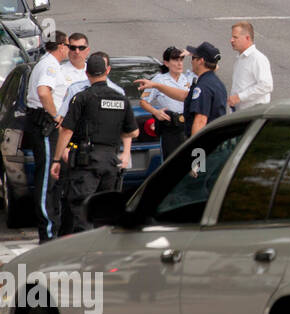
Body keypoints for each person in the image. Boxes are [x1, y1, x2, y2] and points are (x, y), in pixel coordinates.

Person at [50, 52, 134, 234]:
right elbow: (132, 131)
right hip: (111, 161)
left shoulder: (82, 97)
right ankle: (103, 251)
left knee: (83, 209)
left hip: (86, 161)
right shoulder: (121, 98)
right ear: (107, 71)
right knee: (105, 209)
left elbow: (66, 130)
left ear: (87, 73)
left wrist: (57, 159)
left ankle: (87, 252)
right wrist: (125, 152)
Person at [25, 31, 70, 242]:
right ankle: (48, 232)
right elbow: (44, 92)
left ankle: (53, 228)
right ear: (61, 46)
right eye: (68, 46)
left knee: (53, 179)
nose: (69, 50)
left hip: (44, 123)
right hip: (45, 124)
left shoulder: (47, 63)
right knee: (46, 181)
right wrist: (56, 117)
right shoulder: (50, 65)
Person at [139, 46, 193, 159]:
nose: (179, 64)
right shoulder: (159, 80)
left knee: (194, 163)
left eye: (181, 60)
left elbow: (212, 66)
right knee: (172, 163)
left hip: (188, 126)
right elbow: (143, 102)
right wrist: (156, 112)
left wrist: (192, 53)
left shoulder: (189, 78)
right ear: (166, 63)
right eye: (175, 60)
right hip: (171, 127)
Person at [182, 41, 227, 138]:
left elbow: (200, 120)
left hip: (205, 144)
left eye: (193, 57)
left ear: (201, 61)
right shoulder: (217, 83)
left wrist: (194, 149)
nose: (191, 61)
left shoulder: (203, 87)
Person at [228, 21, 273, 110]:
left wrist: (240, 97)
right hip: (240, 113)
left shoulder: (258, 59)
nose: (231, 40)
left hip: (252, 113)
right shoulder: (240, 59)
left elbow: (266, 85)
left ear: (247, 38)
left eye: (235, 37)